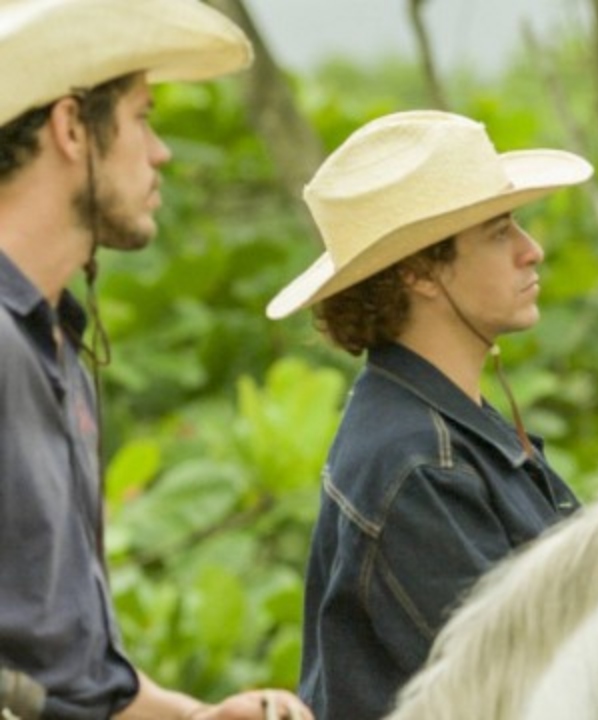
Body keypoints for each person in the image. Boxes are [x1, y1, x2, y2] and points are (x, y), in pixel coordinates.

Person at [0, 0, 315, 718]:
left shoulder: (57, 353)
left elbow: (67, 665)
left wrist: (201, 718)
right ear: (73, 128)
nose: (161, 150)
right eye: (142, 117)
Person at [265, 110, 592, 719]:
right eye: (498, 232)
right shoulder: (415, 462)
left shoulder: (443, 422)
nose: (531, 250)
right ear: (418, 271)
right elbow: (524, 696)